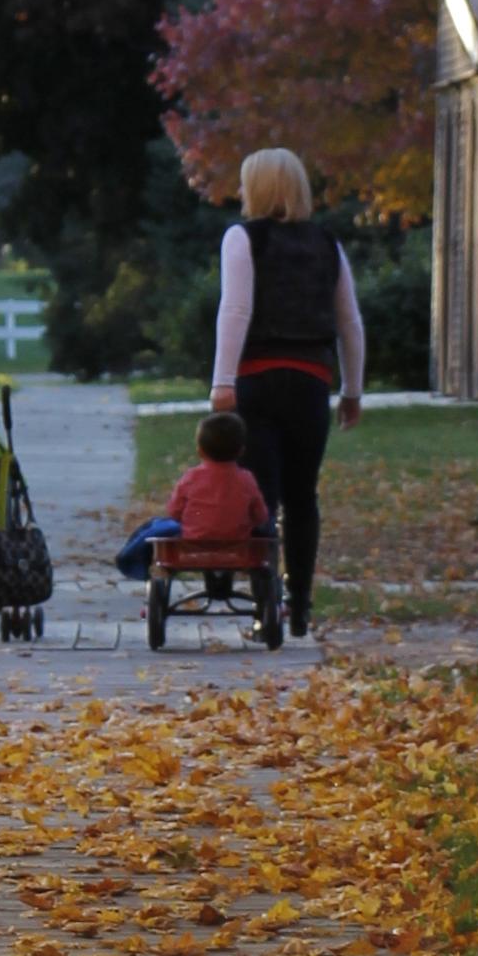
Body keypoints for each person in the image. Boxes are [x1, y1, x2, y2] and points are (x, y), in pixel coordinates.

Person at [210, 148, 364, 637]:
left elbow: (235, 310)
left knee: (261, 497)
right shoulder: (327, 244)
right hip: (311, 382)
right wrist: (353, 388)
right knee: (302, 496)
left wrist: (223, 380)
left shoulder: (243, 238)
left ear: (256, 188)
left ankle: (265, 606)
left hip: (257, 378)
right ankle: (299, 605)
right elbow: (349, 321)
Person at [115, 412, 270, 580]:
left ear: (200, 451)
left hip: (193, 545)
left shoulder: (191, 477)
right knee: (268, 530)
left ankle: (136, 565)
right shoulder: (246, 479)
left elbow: (174, 512)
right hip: (237, 544)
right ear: (241, 451)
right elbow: (260, 516)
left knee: (157, 526)